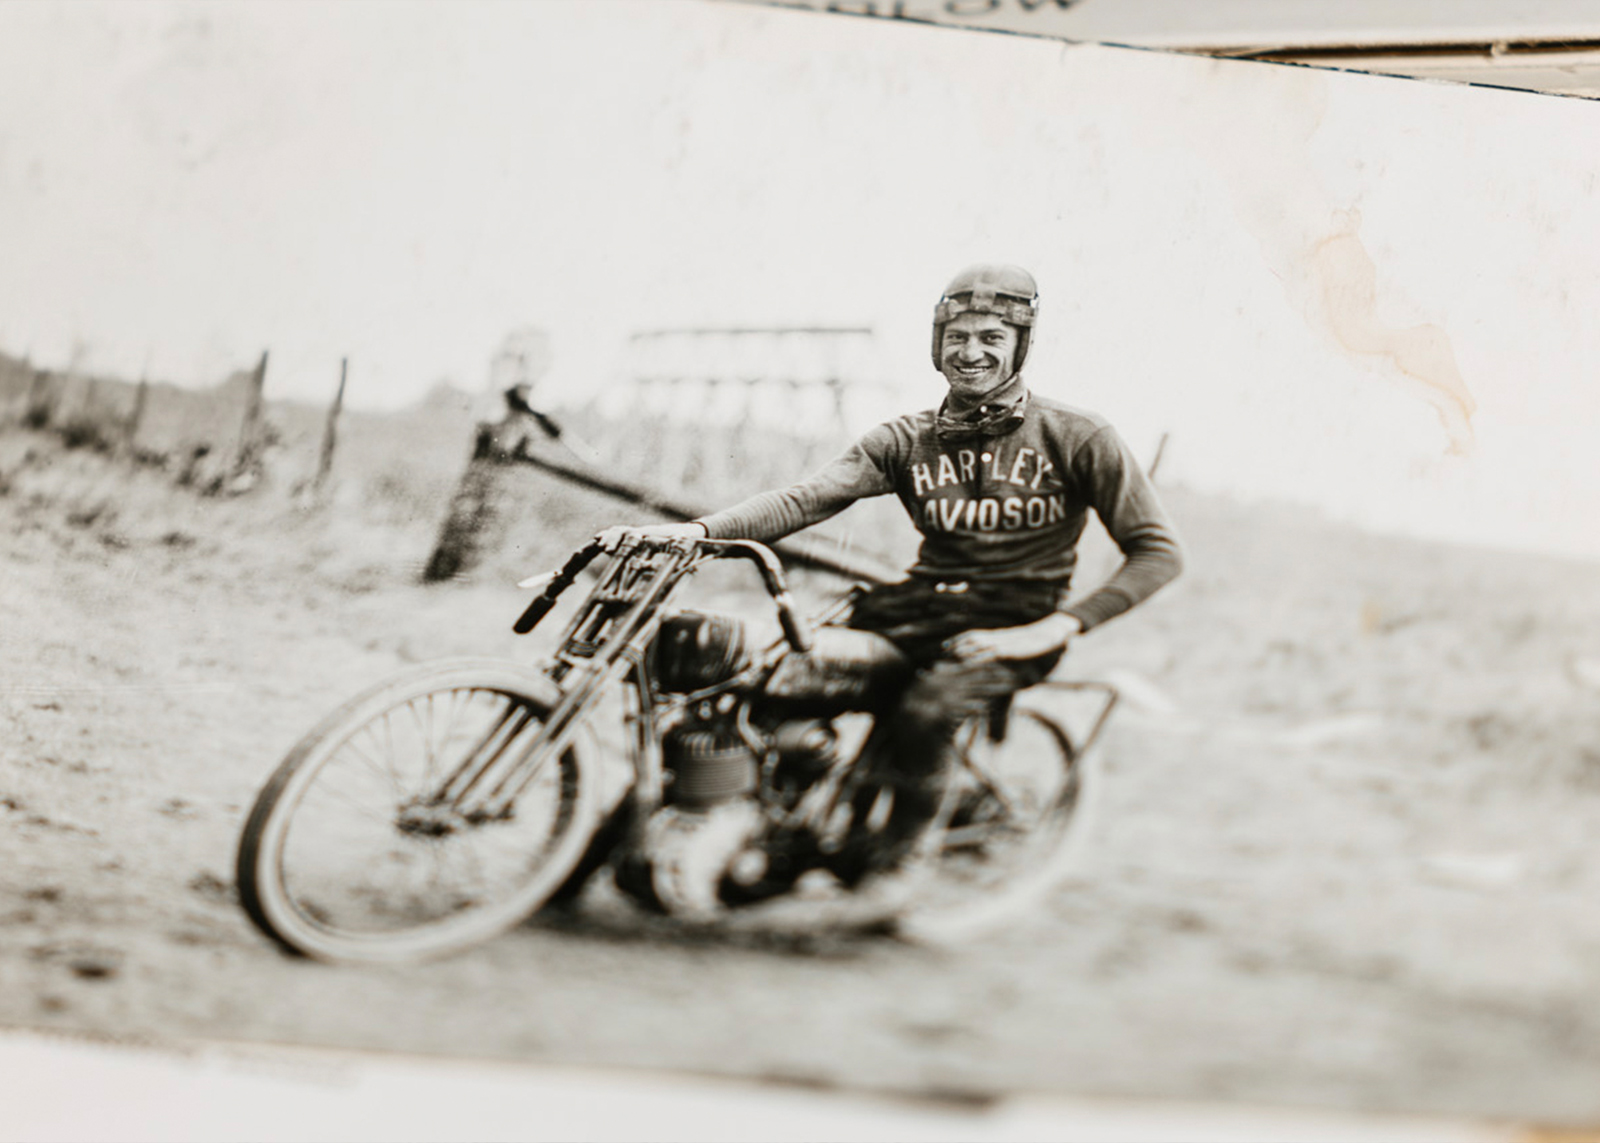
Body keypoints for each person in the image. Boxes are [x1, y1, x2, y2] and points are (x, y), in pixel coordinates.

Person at [602, 264, 1183, 883]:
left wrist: (1054, 630)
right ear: (938, 344)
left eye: (991, 337)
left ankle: (895, 870)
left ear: (1020, 346)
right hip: (913, 611)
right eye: (958, 336)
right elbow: (805, 498)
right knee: (751, 671)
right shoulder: (907, 439)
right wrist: (699, 532)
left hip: (1010, 628)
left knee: (926, 712)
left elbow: (1158, 552)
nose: (972, 352)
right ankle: (755, 823)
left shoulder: (1078, 436)